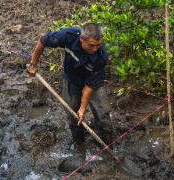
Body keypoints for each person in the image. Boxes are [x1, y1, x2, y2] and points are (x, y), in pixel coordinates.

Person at [27, 23, 115, 172]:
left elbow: (89, 87)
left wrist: (83, 108)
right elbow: (43, 41)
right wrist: (33, 64)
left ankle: (108, 146)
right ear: (81, 39)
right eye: (91, 45)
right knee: (73, 115)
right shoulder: (67, 36)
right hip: (72, 79)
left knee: (103, 114)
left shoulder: (101, 56)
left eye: (98, 45)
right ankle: (79, 147)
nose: (95, 49)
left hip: (93, 84)